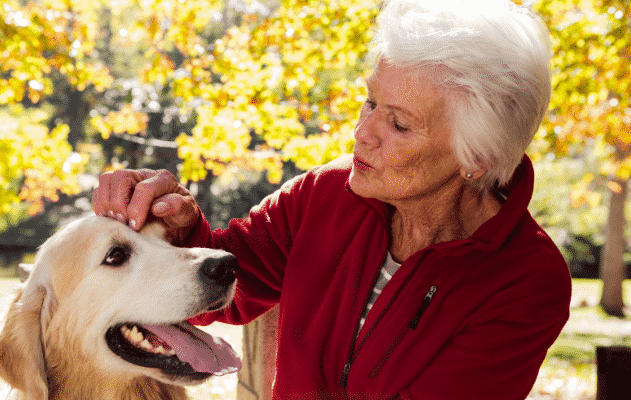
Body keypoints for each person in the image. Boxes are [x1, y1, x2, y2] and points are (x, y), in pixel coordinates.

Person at [91, 0, 572, 398]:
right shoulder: (325, 193)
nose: (362, 133)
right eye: (370, 103)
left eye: (399, 124)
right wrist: (179, 227)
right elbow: (219, 299)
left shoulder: (527, 282)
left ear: (478, 157)